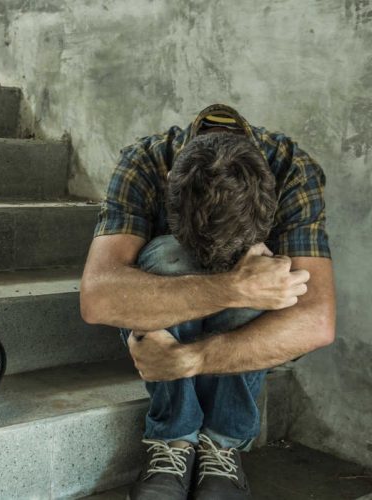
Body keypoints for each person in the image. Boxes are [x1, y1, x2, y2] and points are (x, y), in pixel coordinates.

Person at [80, 104, 336, 499]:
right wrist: (233, 287)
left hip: (198, 341)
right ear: (170, 184)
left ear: (271, 191)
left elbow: (317, 321)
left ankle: (222, 442)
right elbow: (98, 298)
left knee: (269, 271)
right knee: (170, 257)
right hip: (170, 307)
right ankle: (173, 438)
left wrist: (193, 358)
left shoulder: (292, 170)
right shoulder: (145, 162)